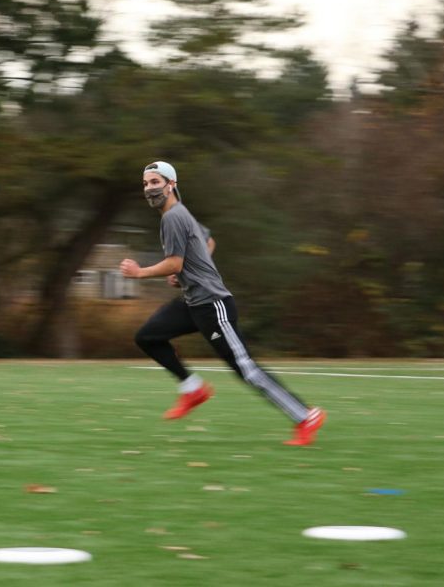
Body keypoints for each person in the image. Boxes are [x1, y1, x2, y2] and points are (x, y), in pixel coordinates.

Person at [119, 161, 325, 446]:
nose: (149, 189)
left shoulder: (173, 217)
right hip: (192, 303)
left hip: (213, 304)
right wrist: (188, 272)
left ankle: (305, 415)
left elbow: (175, 262)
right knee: (148, 337)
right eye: (145, 184)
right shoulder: (179, 214)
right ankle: (193, 390)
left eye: (155, 182)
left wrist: (141, 272)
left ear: (172, 185)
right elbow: (208, 242)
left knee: (246, 369)